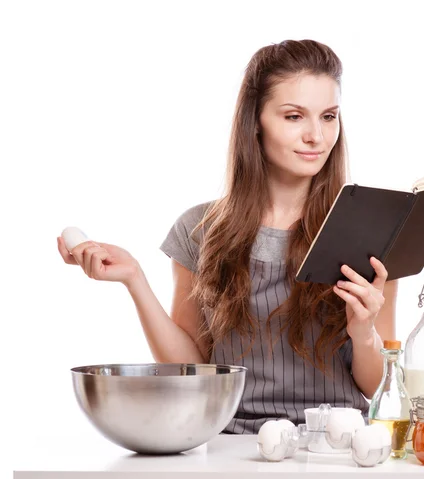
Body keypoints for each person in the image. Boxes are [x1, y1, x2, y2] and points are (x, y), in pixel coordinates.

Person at [57, 39, 398, 434]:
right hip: (230, 448)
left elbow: (378, 388)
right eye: (293, 117)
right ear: (255, 120)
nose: (316, 137)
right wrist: (135, 279)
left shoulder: (372, 227)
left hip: (337, 447)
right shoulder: (199, 230)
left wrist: (363, 332)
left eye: (328, 117)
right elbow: (193, 369)